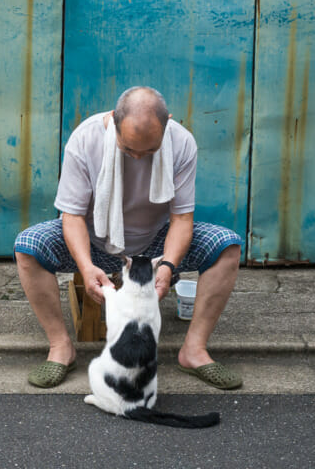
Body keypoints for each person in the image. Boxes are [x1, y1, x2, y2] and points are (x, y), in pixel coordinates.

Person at [13, 86, 243, 390]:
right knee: (28, 246)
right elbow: (71, 216)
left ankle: (194, 350)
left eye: (149, 151)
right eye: (128, 149)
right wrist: (85, 266)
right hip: (96, 237)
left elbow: (182, 219)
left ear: (167, 124)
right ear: (114, 121)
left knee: (227, 246)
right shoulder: (86, 139)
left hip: (156, 241)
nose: (137, 157)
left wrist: (169, 266)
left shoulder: (182, 142)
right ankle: (61, 347)